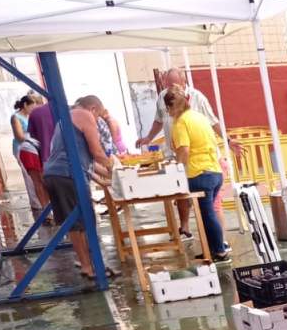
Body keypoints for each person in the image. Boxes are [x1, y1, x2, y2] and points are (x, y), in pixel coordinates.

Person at [137, 68, 231, 239]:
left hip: (200, 163)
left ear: (183, 81)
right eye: (167, 84)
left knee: (210, 207)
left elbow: (213, 122)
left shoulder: (195, 101)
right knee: (185, 196)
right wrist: (149, 138)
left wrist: (229, 141)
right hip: (186, 159)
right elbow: (158, 120)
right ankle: (187, 228)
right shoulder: (164, 97)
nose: (169, 87)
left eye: (173, 84)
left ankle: (220, 242)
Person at [41, 96, 116, 280]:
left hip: (55, 174)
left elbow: (87, 161)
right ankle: (88, 266)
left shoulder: (67, 117)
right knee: (82, 222)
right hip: (67, 175)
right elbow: (97, 152)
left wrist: (110, 175)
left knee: (75, 223)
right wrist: (114, 166)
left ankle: (89, 264)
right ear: (93, 108)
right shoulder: (84, 115)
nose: (97, 121)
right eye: (98, 116)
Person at [164, 85, 230, 262]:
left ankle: (220, 250)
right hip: (214, 170)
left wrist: (177, 169)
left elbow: (184, 150)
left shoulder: (180, 123)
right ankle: (212, 249)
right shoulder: (199, 117)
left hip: (199, 173)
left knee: (207, 213)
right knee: (206, 213)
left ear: (170, 107)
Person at [10, 94, 48, 217]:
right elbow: (19, 136)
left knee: (39, 177)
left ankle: (42, 203)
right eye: (32, 106)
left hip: (35, 148)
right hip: (23, 148)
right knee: (30, 178)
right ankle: (36, 204)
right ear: (25, 105)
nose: (33, 109)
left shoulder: (31, 116)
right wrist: (33, 139)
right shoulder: (16, 117)